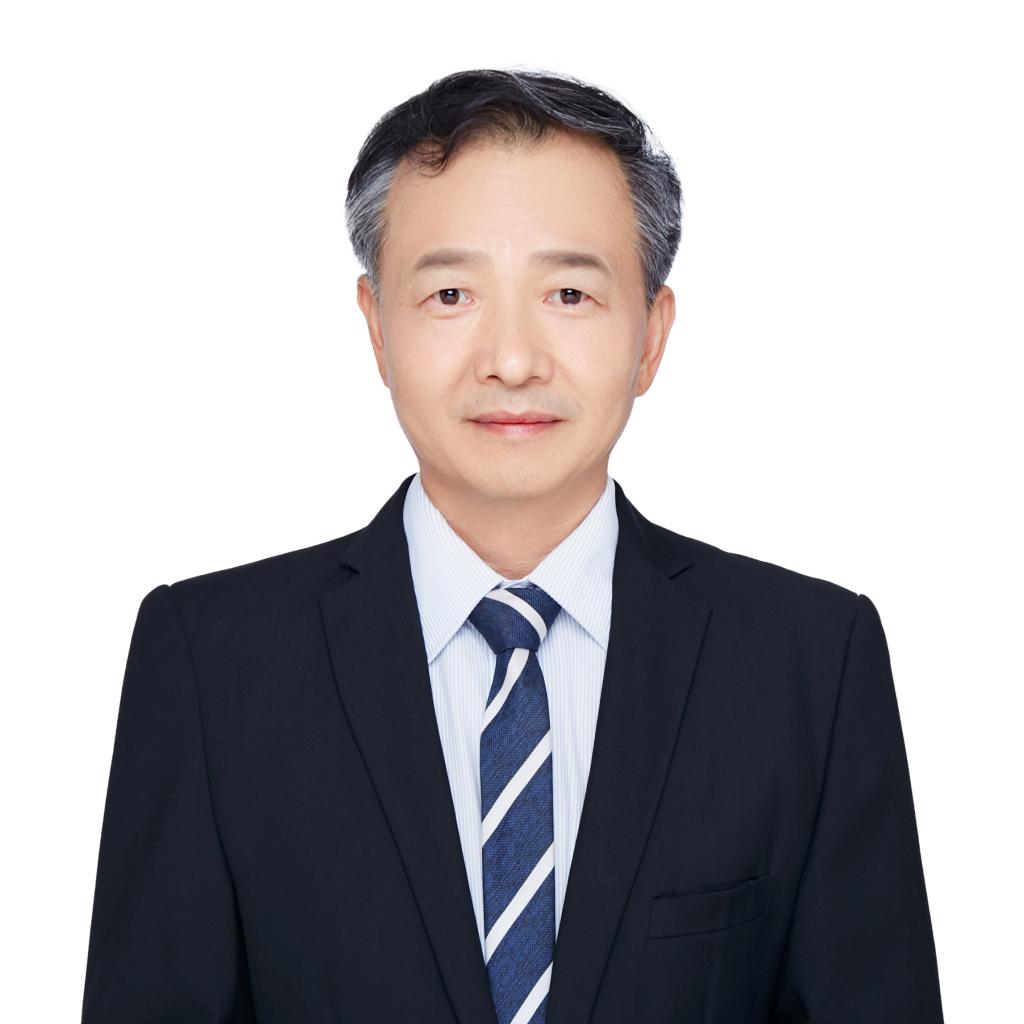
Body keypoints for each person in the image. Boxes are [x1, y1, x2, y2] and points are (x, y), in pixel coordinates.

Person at [81, 68, 945, 1023]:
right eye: (451, 293)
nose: (512, 360)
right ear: (377, 328)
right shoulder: (211, 663)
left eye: (569, 293)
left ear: (651, 336)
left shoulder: (809, 663)